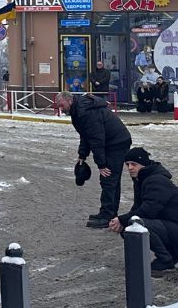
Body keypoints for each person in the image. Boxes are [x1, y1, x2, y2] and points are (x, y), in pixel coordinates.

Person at [109, 148, 178, 277]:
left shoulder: (156, 180)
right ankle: (171, 255)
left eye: (133, 164)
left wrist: (122, 220)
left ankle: (166, 259)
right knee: (130, 226)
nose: (130, 168)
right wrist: (122, 221)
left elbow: (149, 211)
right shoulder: (142, 179)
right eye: (127, 164)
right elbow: (137, 208)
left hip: (174, 226)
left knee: (138, 225)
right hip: (171, 226)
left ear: (144, 164)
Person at [71, 90, 133, 229]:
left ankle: (107, 215)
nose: (60, 108)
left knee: (109, 178)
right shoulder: (80, 110)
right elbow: (85, 134)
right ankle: (109, 212)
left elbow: (96, 139)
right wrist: (82, 155)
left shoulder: (86, 111)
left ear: (69, 101)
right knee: (111, 180)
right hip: (115, 142)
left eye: (61, 105)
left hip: (116, 144)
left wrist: (102, 164)